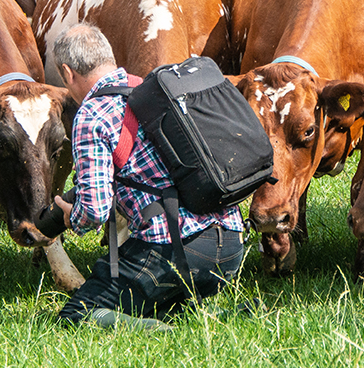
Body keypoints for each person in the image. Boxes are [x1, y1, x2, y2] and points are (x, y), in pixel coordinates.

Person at [52, 23, 245, 331]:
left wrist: (71, 219)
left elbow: (95, 210)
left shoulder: (92, 114)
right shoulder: (154, 88)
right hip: (231, 244)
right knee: (157, 301)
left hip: (175, 249)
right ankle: (221, 317)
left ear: (67, 72)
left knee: (77, 313)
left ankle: (161, 333)